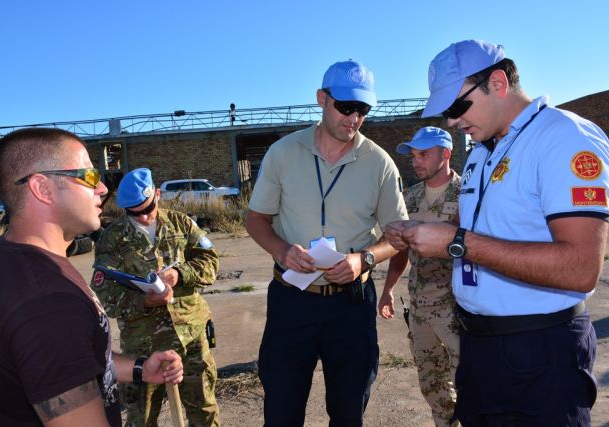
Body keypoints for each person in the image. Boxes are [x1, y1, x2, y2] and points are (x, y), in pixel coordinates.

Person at [386, 39, 609, 426]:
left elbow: (580, 268)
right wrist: (426, 232)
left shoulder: (563, 138)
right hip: (479, 345)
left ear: (498, 83)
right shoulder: (481, 151)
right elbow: (483, 231)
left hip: (539, 348)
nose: (452, 122)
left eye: (457, 108)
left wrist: (456, 242)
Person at [0, 128, 183, 427]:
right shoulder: (46, 302)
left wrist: (138, 369)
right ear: (42, 188)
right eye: (89, 177)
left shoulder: (6, 260)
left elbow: (69, 361)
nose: (102, 189)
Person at [246, 59, 408, 426]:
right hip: (291, 300)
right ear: (322, 99)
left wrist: (364, 259)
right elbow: (255, 219)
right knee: (282, 411)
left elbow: (397, 237)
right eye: (346, 106)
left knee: (349, 412)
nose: (354, 118)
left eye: (363, 109)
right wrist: (281, 250)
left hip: (351, 306)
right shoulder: (283, 153)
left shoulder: (380, 164)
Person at [91, 167, 220, 427]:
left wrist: (180, 274)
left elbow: (210, 262)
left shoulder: (182, 223)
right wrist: (144, 302)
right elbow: (105, 295)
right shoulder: (111, 239)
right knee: (141, 419)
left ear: (158, 195)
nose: (144, 216)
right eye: (135, 213)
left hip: (191, 338)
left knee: (204, 413)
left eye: (148, 208)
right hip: (143, 346)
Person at [379, 126, 461, 427]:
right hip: (420, 308)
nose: (416, 161)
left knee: (471, 382)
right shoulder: (410, 197)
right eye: (413, 155)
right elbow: (400, 249)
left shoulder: (467, 194)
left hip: (457, 308)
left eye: (423, 154)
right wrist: (388, 289)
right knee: (431, 383)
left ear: (446, 154)